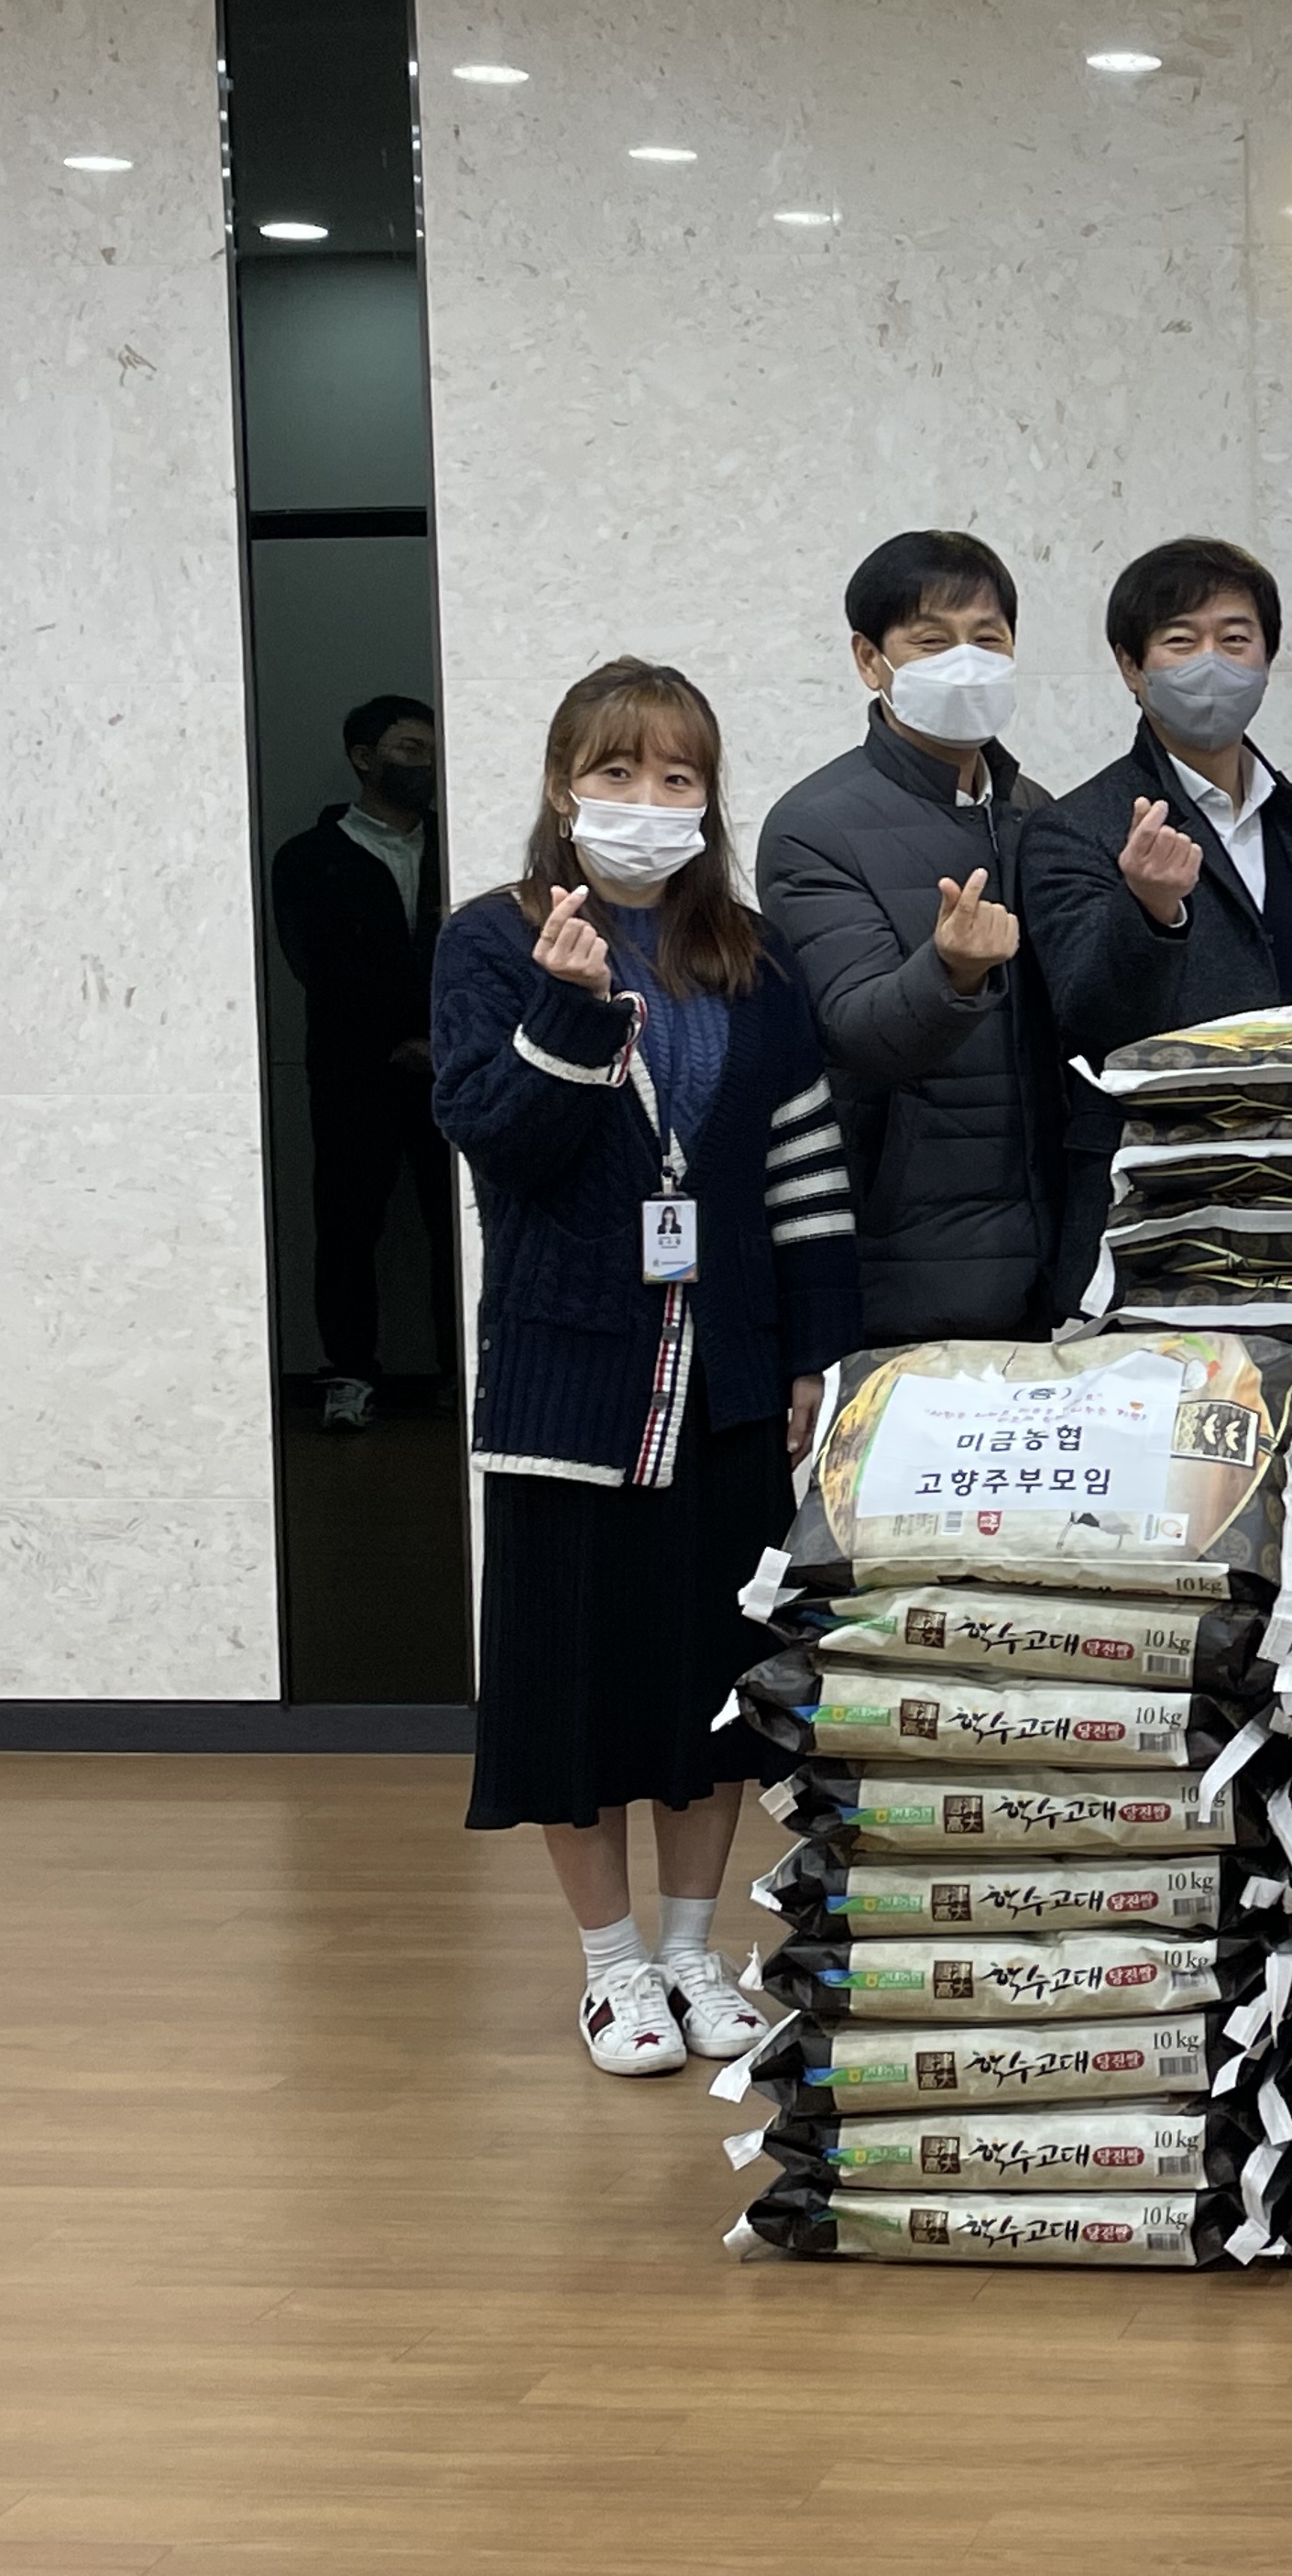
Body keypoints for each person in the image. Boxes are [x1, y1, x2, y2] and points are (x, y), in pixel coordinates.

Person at [429, 657, 860, 2077]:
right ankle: (612, 1968)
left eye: (678, 777)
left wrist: (812, 1349)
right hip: (571, 1388)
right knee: (574, 1693)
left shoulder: (750, 952)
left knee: (710, 1692)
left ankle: (690, 1951)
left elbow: (803, 1164)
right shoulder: (493, 941)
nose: (647, 800)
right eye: (617, 772)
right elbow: (501, 1144)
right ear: (565, 787)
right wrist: (565, 1012)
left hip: (727, 1379)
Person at [1022, 537, 1292, 1292]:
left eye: (1235, 640)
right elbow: (1085, 1020)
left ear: (1268, 660)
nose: (1212, 662)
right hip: (1158, 1203)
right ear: (1131, 668)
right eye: (1181, 641)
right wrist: (1148, 912)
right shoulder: (1074, 828)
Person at [756, 528, 1058, 1343]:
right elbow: (852, 1029)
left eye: (987, 640)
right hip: (905, 1265)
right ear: (870, 659)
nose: (965, 663)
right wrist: (951, 971)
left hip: (1052, 1261)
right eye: (931, 642)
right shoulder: (815, 826)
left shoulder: (1037, 811)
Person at [270, 691, 455, 1432]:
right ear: (363, 758)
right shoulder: (308, 858)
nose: (425, 764)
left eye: (432, 751)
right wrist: (398, 1041)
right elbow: (318, 966)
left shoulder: (457, 844)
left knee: (457, 1223)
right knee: (347, 1223)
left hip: (456, 1068)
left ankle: (460, 1374)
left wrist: (445, 1043)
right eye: (409, 749)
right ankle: (348, 1373)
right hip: (353, 1069)